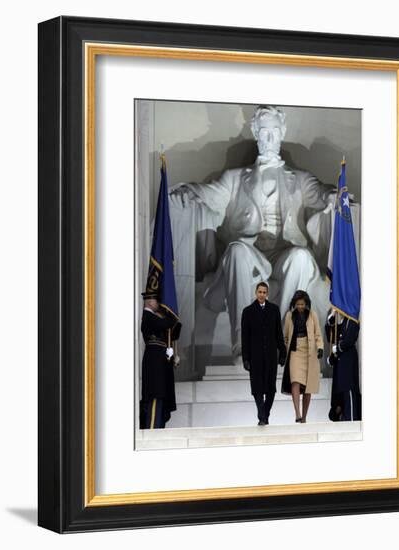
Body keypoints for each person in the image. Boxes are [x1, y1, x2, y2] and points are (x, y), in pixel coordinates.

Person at [170, 105, 336, 362]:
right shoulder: (236, 177)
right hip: (251, 253)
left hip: (284, 254)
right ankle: (243, 345)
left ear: (282, 133)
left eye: (274, 132)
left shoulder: (299, 179)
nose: (269, 139)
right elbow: (212, 194)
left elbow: (321, 191)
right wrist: (191, 191)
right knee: (236, 250)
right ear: (256, 133)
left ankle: (281, 340)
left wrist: (333, 195)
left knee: (302, 257)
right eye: (264, 132)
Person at [241, 282, 286, 425]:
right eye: (259, 292)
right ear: (256, 293)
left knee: (271, 390)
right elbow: (245, 337)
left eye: (264, 292)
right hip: (255, 357)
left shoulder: (274, 310)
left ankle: (265, 414)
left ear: (267, 294)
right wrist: (246, 358)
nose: (261, 294)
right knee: (257, 388)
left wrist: (283, 353)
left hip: (271, 356)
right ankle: (262, 416)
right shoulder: (247, 311)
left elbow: (279, 333)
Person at [140, 291, 182, 429]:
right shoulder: (148, 317)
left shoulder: (154, 318)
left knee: (161, 398)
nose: (159, 305)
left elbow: (172, 330)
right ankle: (153, 428)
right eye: (157, 302)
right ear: (150, 302)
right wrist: (171, 312)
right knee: (155, 398)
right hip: (154, 364)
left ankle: (158, 427)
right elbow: (166, 323)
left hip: (160, 364)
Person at [281, 290, 324, 423]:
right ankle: (297, 413)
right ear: (294, 304)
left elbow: (318, 334)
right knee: (295, 381)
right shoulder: (289, 316)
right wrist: (283, 352)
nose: (300, 306)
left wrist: (320, 347)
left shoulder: (312, 315)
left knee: (308, 387)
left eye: (302, 304)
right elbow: (286, 337)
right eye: (298, 304)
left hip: (309, 352)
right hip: (295, 351)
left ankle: (304, 417)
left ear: (306, 304)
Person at [325, 310, 362, 421]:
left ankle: (351, 418)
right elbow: (331, 335)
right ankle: (345, 417)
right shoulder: (343, 320)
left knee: (348, 389)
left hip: (348, 361)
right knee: (340, 391)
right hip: (340, 362)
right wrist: (330, 320)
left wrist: (339, 348)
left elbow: (349, 339)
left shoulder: (352, 320)